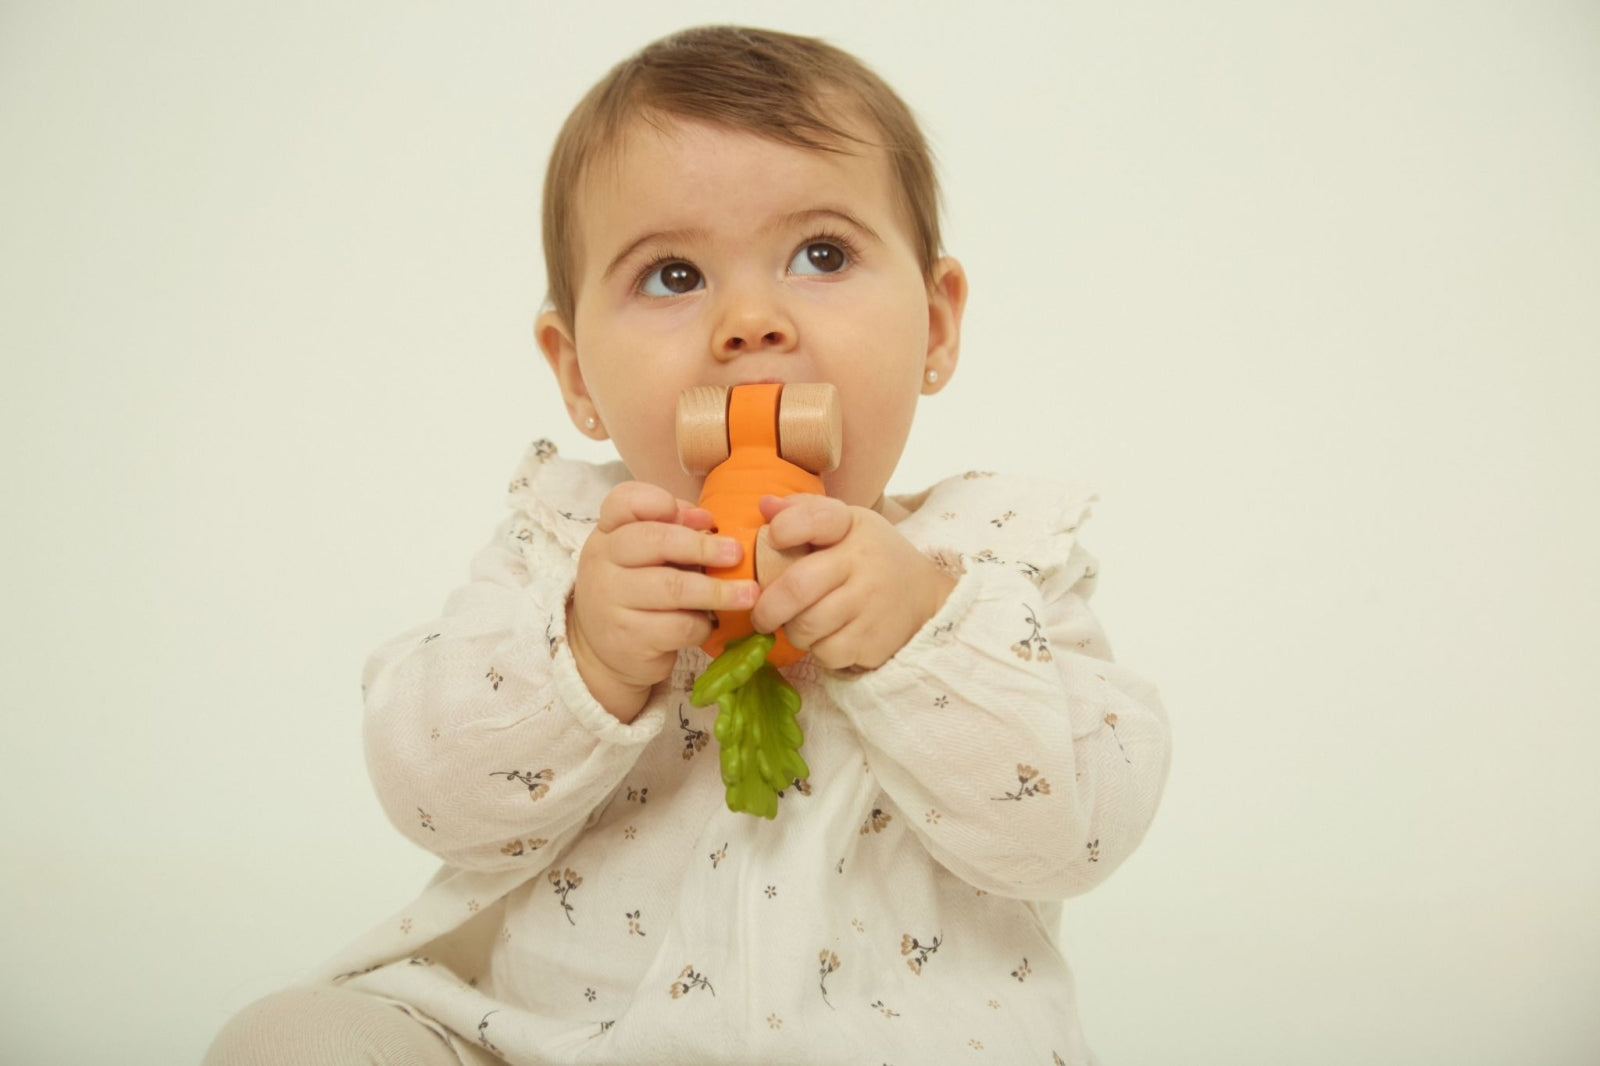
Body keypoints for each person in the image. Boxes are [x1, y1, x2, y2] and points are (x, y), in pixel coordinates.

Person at [204, 24, 1170, 1066]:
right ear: (576, 372)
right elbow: (433, 800)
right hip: (551, 1042)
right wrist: (584, 655)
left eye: (822, 255)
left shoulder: (994, 566)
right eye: (672, 275)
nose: (749, 321)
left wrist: (922, 636)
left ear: (935, 327)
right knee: (290, 1040)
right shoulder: (558, 553)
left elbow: (1078, 835)